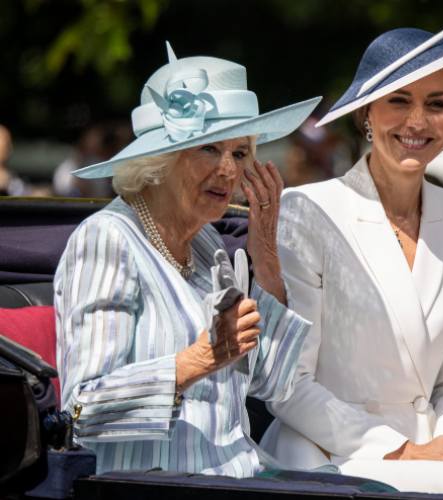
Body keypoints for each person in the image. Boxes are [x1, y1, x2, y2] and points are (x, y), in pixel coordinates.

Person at [259, 5, 443, 494]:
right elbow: (287, 385)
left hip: (431, 459)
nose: (417, 120)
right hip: (328, 461)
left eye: (436, 103)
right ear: (366, 113)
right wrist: (404, 452)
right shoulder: (309, 210)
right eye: (398, 100)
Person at [55, 43, 321, 476]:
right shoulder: (108, 239)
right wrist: (198, 361)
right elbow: (84, 408)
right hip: (154, 486)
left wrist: (265, 252)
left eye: (239, 153)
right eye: (209, 149)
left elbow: (272, 383)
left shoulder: (208, 245)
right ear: (158, 160)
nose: (229, 171)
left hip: (241, 474)